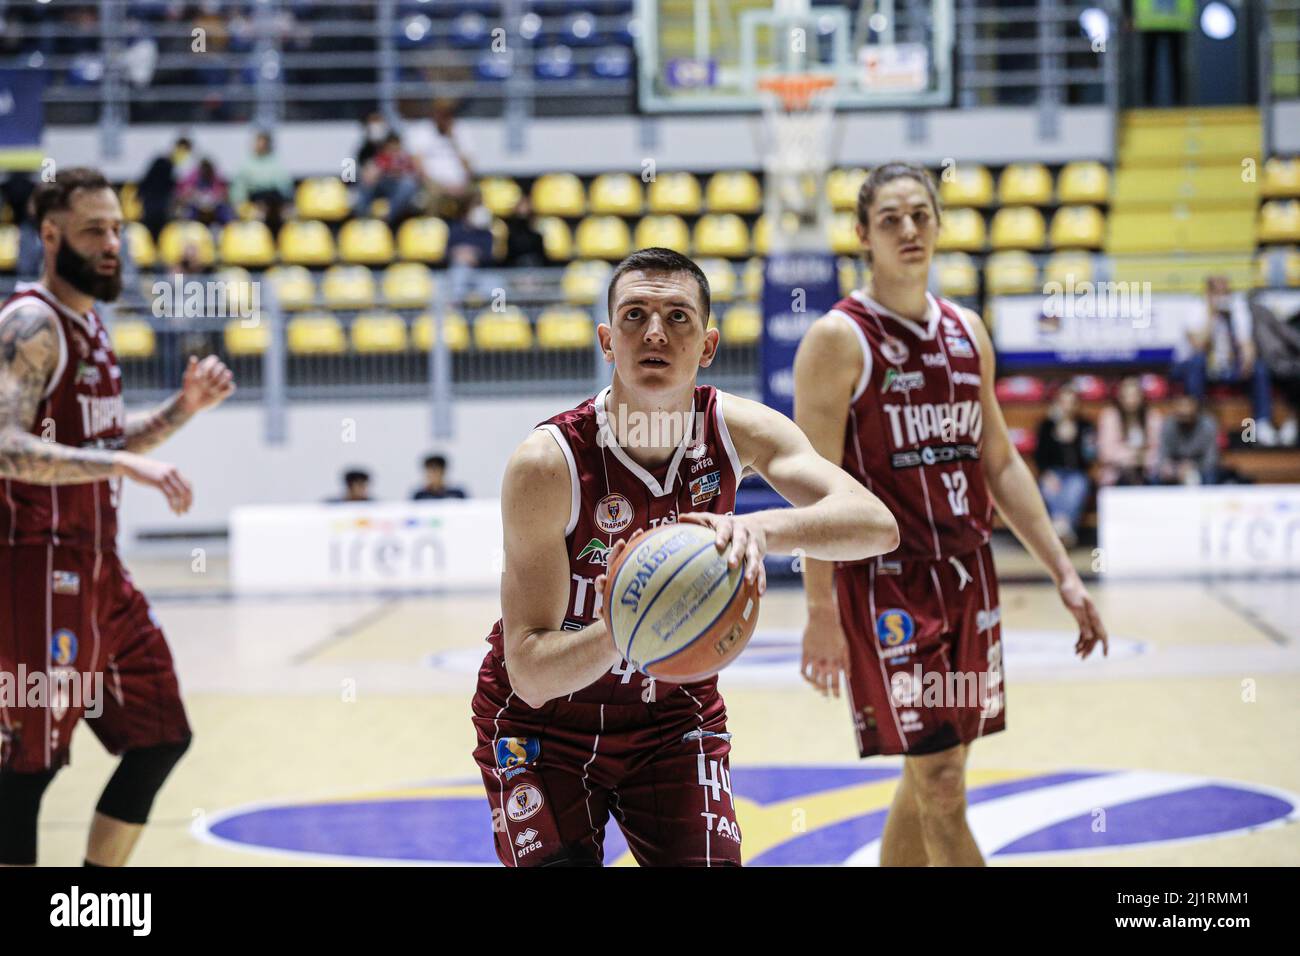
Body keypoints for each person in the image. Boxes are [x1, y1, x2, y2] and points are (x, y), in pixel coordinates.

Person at [471, 247, 899, 867]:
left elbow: (877, 525)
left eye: (677, 317)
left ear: (708, 345)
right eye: (634, 315)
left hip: (672, 720)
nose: (654, 332)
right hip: (540, 731)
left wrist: (759, 531)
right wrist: (633, 625)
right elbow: (532, 674)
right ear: (606, 341)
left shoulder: (737, 429)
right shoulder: (547, 464)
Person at [793, 162, 1108, 868]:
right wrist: (820, 609)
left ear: (937, 224)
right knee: (940, 782)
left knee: (933, 770)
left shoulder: (968, 331)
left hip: (971, 575)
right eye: (891, 219)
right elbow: (817, 487)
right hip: (887, 587)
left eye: (920, 215)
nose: (909, 229)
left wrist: (1064, 571)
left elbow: (999, 463)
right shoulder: (838, 340)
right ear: (862, 235)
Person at [0, 167, 235, 867]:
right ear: (50, 235)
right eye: (94, 230)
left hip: (99, 571)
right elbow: (7, 445)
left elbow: (98, 441)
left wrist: (180, 411)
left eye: (118, 230)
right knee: (26, 768)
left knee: (162, 732)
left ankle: (94, 897)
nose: (111, 245)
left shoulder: (90, 324)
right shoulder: (31, 322)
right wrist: (122, 468)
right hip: (35, 567)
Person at [1171, 276, 1277, 445]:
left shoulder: (1237, 309)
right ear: (1208, 292)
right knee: (1197, 362)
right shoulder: (1194, 308)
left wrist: (1247, 360)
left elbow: (1247, 344)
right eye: (1218, 292)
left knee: (1259, 368)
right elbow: (1198, 345)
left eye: (1226, 292)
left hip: (1224, 366)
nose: (1223, 297)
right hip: (1189, 366)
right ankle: (1198, 421)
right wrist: (1212, 315)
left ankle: (1262, 422)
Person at [1033, 383, 1096, 548]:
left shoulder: (1085, 426)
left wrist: (1075, 441)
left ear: (1077, 404)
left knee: (1076, 489)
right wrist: (1047, 473)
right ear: (1057, 403)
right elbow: (1040, 456)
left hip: (1076, 474)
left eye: (1072, 402)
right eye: (1064, 402)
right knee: (1050, 489)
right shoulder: (1046, 426)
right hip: (1053, 472)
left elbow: (1088, 459)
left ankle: (1060, 527)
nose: (1068, 406)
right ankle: (1064, 529)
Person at [406, 98, 475, 216]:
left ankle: (468, 232)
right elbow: (418, 166)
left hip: (459, 184)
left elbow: (469, 167)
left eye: (448, 114)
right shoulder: (421, 131)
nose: (444, 118)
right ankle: (433, 228)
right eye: (441, 113)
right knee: (433, 196)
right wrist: (443, 186)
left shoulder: (461, 131)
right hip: (433, 184)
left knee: (477, 193)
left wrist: (454, 141)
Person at [1097, 376, 1163, 485]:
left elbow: (1160, 448)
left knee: (1158, 477)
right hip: (1117, 472)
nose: (1131, 400)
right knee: (1127, 475)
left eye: (1135, 395)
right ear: (1120, 397)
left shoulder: (1152, 417)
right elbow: (1106, 452)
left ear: (1142, 397)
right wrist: (1133, 457)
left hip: (1148, 470)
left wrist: (1144, 459)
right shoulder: (1110, 417)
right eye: (1127, 396)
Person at [228, 131, 294, 236]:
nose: (260, 145)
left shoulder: (276, 163)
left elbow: (285, 185)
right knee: (262, 204)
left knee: (278, 204)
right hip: (256, 197)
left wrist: (288, 202)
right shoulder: (247, 165)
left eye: (263, 142)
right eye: (258, 142)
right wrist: (238, 203)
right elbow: (239, 187)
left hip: (274, 198)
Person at [353, 132, 421, 226]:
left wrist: (398, 172)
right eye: (391, 146)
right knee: (365, 183)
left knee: (408, 185)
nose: (393, 149)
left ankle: (387, 218)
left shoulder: (406, 158)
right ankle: (362, 219)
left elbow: (416, 175)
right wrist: (378, 172)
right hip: (382, 186)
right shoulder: (381, 157)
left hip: (399, 190)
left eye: (396, 145)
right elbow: (370, 174)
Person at [1157, 393, 1220, 485]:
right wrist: (1175, 469)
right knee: (1157, 477)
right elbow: (1163, 455)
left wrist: (1193, 467)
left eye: (1188, 406)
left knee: (1211, 475)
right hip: (1176, 467)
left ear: (1196, 409)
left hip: (1200, 466)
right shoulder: (1168, 425)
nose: (1185, 410)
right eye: (1181, 406)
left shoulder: (1208, 425)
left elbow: (1211, 459)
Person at [175, 157, 233, 226]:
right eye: (204, 169)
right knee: (188, 214)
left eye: (208, 169)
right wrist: (191, 195)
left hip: (214, 210)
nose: (206, 171)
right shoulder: (193, 177)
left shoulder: (217, 178)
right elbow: (183, 193)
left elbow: (225, 193)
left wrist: (220, 196)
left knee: (225, 213)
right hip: (197, 208)